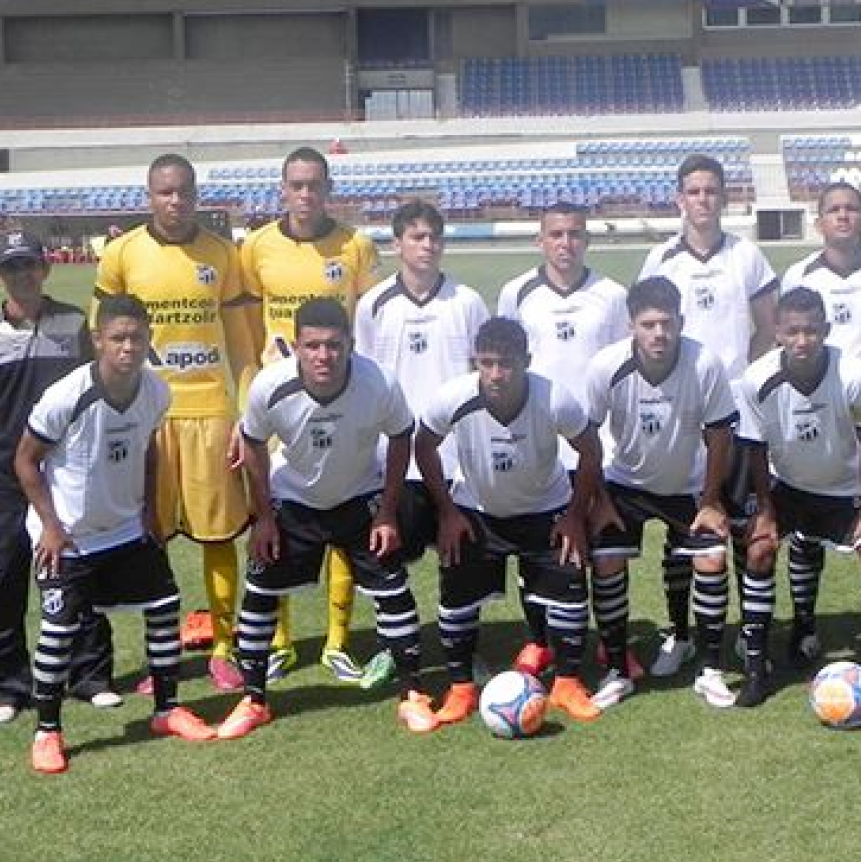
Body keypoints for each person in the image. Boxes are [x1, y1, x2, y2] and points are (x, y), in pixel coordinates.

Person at [216, 298, 436, 739]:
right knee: (260, 593)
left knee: (392, 589)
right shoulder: (268, 386)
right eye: (313, 346)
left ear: (350, 345)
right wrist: (263, 517)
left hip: (360, 496)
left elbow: (400, 438)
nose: (324, 357)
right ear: (295, 346)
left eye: (334, 346)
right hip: (295, 499)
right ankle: (254, 700)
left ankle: (413, 694)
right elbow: (254, 445)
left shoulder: (378, 383)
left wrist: (388, 512)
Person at [16, 295, 217, 774]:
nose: (129, 347)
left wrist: (149, 509)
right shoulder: (68, 395)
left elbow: (149, 450)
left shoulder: (155, 391)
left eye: (137, 337)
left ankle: (167, 711)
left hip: (126, 527)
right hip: (68, 534)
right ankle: (47, 732)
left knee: (165, 608)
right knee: (58, 631)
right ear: (98, 340)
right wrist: (50, 525)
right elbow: (25, 460)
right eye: (118, 338)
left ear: (149, 340)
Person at [94, 153, 259, 692]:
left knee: (219, 535)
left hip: (210, 412)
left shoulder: (221, 254)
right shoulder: (121, 255)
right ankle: (160, 652)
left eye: (184, 191)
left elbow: (242, 345)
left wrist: (246, 413)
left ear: (196, 194)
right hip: (147, 416)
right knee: (150, 536)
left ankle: (224, 646)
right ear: (150, 195)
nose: (176, 201)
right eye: (166, 192)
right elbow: (102, 342)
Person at [413, 317, 607, 726]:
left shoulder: (554, 399)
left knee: (571, 590)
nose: (496, 374)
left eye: (506, 363)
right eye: (486, 363)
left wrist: (574, 516)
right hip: (477, 511)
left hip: (545, 508)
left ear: (526, 362)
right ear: (474, 363)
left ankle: (567, 684)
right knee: (456, 598)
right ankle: (461, 688)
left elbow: (590, 452)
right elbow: (424, 444)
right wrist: (447, 512)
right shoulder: (453, 397)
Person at [0, 230, 117, 725]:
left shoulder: (73, 323)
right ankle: (7, 686)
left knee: (78, 570)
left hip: (66, 473)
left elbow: (93, 392)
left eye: (28, 265)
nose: (21, 275)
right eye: (11, 267)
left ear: (44, 269)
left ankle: (90, 675)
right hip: (6, 476)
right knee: (5, 576)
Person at [240, 145, 382, 684]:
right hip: (278, 403)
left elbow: (363, 328)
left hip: (339, 396)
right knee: (274, 513)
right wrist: (249, 401)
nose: (305, 195)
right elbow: (250, 330)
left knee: (342, 504)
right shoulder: (256, 247)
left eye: (314, 185)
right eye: (296, 185)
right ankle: (278, 642)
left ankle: (338, 642)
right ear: (283, 188)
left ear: (328, 189)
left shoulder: (356, 246)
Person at [637, 153, 779, 678]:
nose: (702, 200)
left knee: (739, 521)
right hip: (678, 415)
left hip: (735, 412)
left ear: (725, 197)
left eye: (711, 191)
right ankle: (679, 633)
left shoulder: (746, 256)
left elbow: (768, 327)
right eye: (693, 192)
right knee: (682, 524)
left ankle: (744, 628)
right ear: (679, 199)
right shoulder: (661, 259)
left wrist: (742, 382)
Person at [733, 288, 861, 709]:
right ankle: (757, 668)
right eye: (792, 332)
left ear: (826, 331)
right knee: (757, 551)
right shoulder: (756, 378)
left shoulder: (855, 375)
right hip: (789, 486)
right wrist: (767, 512)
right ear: (777, 332)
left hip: (846, 490)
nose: (802, 340)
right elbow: (755, 449)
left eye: (811, 331)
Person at [777, 181, 861, 668]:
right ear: (819, 221)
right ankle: (804, 624)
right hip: (815, 429)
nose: (842, 216)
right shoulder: (799, 273)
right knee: (805, 536)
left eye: (851, 209)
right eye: (833, 209)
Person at [353, 199, 488, 686]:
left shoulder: (467, 301)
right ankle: (392, 647)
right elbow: (364, 379)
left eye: (434, 237)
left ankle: (463, 650)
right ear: (396, 245)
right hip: (398, 460)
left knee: (458, 559)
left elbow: (483, 376)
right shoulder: (373, 305)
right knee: (388, 554)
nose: (426, 245)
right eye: (416, 237)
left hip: (457, 459)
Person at [586, 276, 738, 708]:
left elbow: (720, 434)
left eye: (667, 323)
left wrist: (710, 501)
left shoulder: (704, 363)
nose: (659, 333)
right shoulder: (605, 366)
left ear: (680, 322)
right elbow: (588, 437)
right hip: (625, 484)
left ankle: (709, 668)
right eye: (648, 324)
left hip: (687, 486)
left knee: (711, 558)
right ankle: (617, 671)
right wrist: (598, 500)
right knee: (608, 560)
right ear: (631, 325)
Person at [497, 201, 631, 679]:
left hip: (597, 442)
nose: (565, 243)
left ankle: (613, 646)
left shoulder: (612, 296)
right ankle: (540, 641)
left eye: (575, 234)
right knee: (540, 545)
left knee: (604, 547)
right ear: (540, 239)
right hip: (536, 444)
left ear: (587, 240)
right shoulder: (517, 293)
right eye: (556, 234)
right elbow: (505, 365)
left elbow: (620, 367)